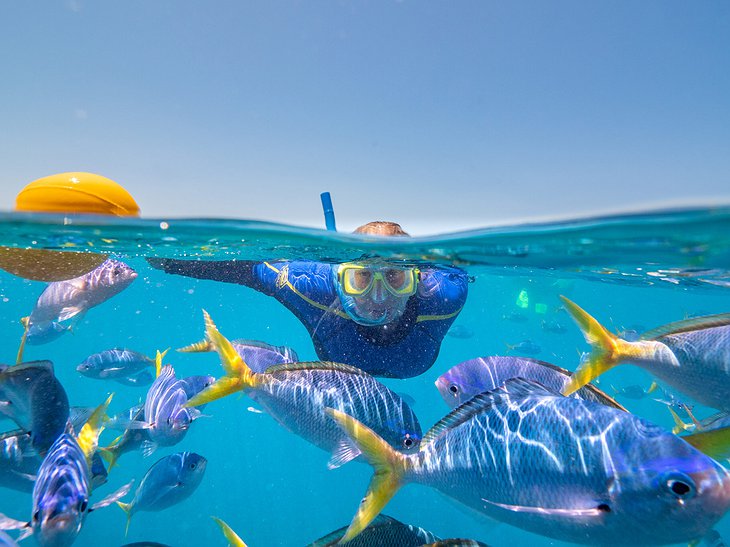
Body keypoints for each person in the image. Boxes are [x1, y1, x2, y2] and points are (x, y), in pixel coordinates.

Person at [148, 221, 468, 378]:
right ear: (339, 278)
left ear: (418, 279)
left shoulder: (445, 295)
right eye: (363, 277)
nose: (378, 296)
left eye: (395, 277)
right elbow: (245, 269)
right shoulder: (310, 288)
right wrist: (170, 262)